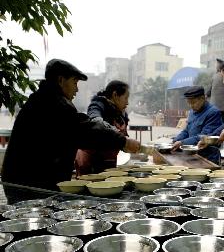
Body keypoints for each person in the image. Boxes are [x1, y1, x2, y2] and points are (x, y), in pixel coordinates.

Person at [1, 59, 140, 200]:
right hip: (27, 185)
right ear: (61, 80)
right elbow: (85, 130)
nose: (77, 89)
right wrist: (123, 141)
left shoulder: (45, 99)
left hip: (27, 181)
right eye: (74, 82)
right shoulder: (53, 103)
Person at [75, 80, 130, 174]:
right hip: (91, 163)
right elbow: (96, 121)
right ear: (115, 95)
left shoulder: (121, 114)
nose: (127, 102)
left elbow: (122, 141)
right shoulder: (98, 105)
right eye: (125, 98)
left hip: (109, 162)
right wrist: (117, 135)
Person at [171, 86, 222, 164]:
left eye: (193, 102)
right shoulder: (192, 112)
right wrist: (176, 140)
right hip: (193, 155)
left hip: (208, 157)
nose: (191, 106)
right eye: (189, 103)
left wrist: (182, 142)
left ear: (202, 98)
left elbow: (204, 137)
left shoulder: (213, 112)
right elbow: (186, 131)